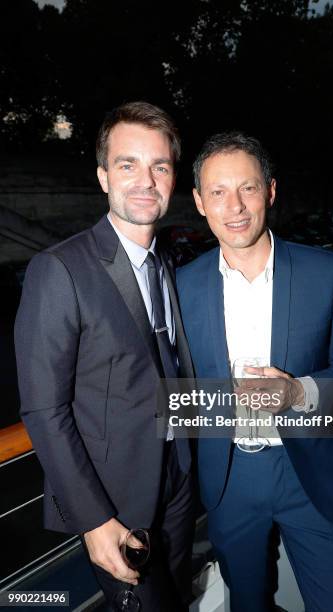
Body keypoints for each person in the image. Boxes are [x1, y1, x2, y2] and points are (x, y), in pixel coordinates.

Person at [176, 132, 333, 612]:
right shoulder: (179, 286)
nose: (235, 206)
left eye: (247, 187)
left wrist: (300, 392)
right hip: (229, 479)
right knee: (247, 603)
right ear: (200, 202)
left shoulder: (327, 272)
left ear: (270, 191)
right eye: (218, 192)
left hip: (311, 473)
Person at [14, 101, 195, 611]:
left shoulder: (167, 261)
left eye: (159, 166)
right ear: (102, 177)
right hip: (115, 501)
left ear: (172, 177)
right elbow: (43, 410)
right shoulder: (59, 270)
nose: (145, 179)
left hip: (177, 480)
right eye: (127, 164)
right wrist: (93, 522)